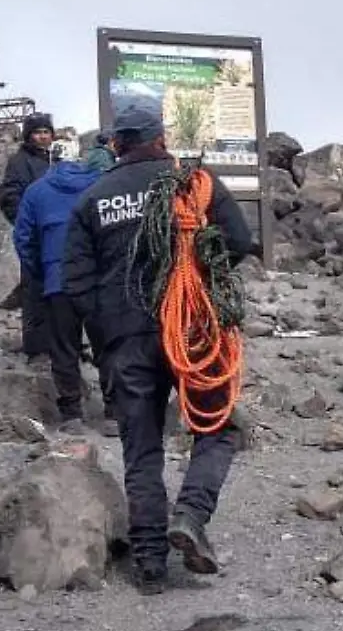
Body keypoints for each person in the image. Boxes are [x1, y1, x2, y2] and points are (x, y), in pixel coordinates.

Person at [62, 109, 255, 594]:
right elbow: (238, 240)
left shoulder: (92, 199)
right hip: (191, 329)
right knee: (220, 425)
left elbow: (76, 283)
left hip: (125, 340)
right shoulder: (194, 183)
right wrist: (202, 280)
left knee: (140, 446)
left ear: (118, 145)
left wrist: (106, 332)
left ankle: (150, 563)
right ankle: (190, 514)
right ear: (161, 139)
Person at [12, 152, 103, 432]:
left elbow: (23, 237)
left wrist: (39, 271)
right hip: (97, 279)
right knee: (108, 346)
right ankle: (114, 412)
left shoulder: (36, 191)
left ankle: (72, 413)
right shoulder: (101, 185)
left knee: (64, 347)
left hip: (57, 280)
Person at [0, 113, 57, 358]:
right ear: (28, 135)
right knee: (34, 292)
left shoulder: (52, 160)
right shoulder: (20, 161)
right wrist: (28, 226)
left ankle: (55, 344)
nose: (43, 136)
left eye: (46, 132)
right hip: (35, 237)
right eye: (37, 132)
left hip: (54, 237)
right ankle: (36, 348)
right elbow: (10, 197)